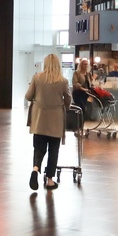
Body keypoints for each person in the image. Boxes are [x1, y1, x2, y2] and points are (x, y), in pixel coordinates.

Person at [25, 53, 71, 191]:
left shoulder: (37, 78)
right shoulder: (63, 81)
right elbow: (68, 99)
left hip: (39, 118)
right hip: (56, 120)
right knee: (53, 150)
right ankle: (50, 180)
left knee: (39, 148)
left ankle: (35, 169)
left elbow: (28, 96)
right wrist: (64, 106)